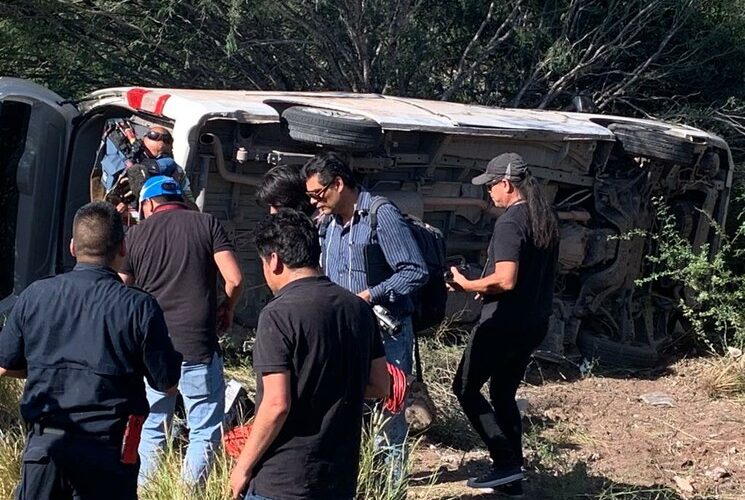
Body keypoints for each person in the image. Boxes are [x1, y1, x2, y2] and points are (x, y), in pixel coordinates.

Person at [0, 201, 182, 500]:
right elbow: (167, 382)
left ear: (73, 246)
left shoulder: (35, 295)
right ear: (122, 248)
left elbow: (5, 365)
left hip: (46, 453)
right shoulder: (139, 307)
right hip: (107, 457)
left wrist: (49, 367)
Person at [229, 209, 390, 500]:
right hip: (337, 478)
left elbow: (277, 404)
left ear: (274, 261)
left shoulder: (278, 314)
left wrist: (242, 466)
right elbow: (381, 385)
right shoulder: (358, 308)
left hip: (283, 480)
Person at [302, 152, 428, 473]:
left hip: (386, 334)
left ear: (339, 184)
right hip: (344, 334)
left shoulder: (380, 214)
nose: (315, 202)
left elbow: (414, 270)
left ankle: (388, 488)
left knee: (388, 416)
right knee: (346, 409)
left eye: (318, 194)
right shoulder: (326, 225)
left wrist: (370, 295)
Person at [119, 175, 244, 486]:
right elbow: (235, 279)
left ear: (148, 204)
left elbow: (121, 288)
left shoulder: (136, 235)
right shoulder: (206, 224)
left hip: (152, 349)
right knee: (203, 428)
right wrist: (225, 309)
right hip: (197, 343)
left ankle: (146, 491)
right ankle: (189, 493)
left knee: (152, 425)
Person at [447, 153, 559, 495]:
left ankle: (505, 462)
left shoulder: (510, 222)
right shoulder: (545, 218)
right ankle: (512, 475)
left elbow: (506, 279)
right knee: (502, 392)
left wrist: (467, 285)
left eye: (491, 185)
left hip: (502, 325)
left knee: (465, 388)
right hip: (533, 322)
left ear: (506, 184)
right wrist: (488, 287)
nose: (489, 193)